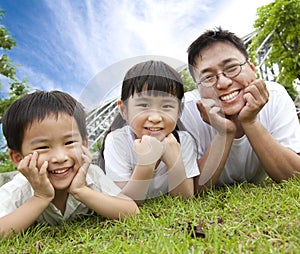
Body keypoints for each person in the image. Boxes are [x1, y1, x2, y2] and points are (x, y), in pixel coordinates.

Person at [0, 90, 139, 238]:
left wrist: (81, 190)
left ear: (84, 144)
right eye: (43, 147)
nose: (60, 157)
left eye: (70, 142)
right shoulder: (19, 188)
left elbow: (131, 211)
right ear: (18, 158)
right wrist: (40, 197)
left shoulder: (91, 175)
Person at [181, 27, 300, 194]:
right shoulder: (187, 111)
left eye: (231, 68)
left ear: (251, 67)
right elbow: (192, 189)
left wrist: (250, 122)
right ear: (198, 89)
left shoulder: (275, 95)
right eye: (208, 77)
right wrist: (224, 133)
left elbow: (294, 175)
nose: (223, 83)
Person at [100, 60, 199, 204]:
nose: (155, 118)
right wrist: (146, 163)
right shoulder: (117, 141)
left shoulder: (184, 141)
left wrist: (174, 161)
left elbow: (184, 199)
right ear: (124, 110)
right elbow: (126, 203)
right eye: (144, 105)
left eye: (166, 106)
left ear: (179, 110)